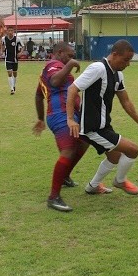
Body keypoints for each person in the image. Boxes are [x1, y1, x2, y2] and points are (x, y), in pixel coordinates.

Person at [66, 39, 138, 196]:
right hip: (91, 127)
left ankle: (92, 186)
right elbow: (72, 89)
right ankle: (120, 181)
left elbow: (126, 101)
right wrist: (70, 119)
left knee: (114, 156)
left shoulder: (118, 75)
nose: (128, 64)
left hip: (103, 126)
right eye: (126, 60)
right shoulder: (98, 68)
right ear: (115, 55)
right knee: (133, 150)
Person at [33, 42, 89, 212]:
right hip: (60, 114)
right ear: (59, 52)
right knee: (68, 150)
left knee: (85, 141)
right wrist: (70, 65)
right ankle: (53, 197)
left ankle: (64, 176)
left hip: (68, 113)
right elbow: (56, 81)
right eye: (69, 55)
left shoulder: (52, 67)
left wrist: (40, 119)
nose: (72, 59)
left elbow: (38, 95)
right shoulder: (53, 65)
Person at [0, 27, 21, 95]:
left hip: (15, 59)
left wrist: (20, 53)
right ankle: (12, 89)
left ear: (13, 31)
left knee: (15, 74)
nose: (10, 32)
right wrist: (2, 51)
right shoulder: (4, 38)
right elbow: (2, 46)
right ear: (7, 31)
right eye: (9, 30)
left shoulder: (17, 39)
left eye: (11, 30)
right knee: (9, 73)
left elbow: (23, 46)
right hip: (8, 58)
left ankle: (14, 86)